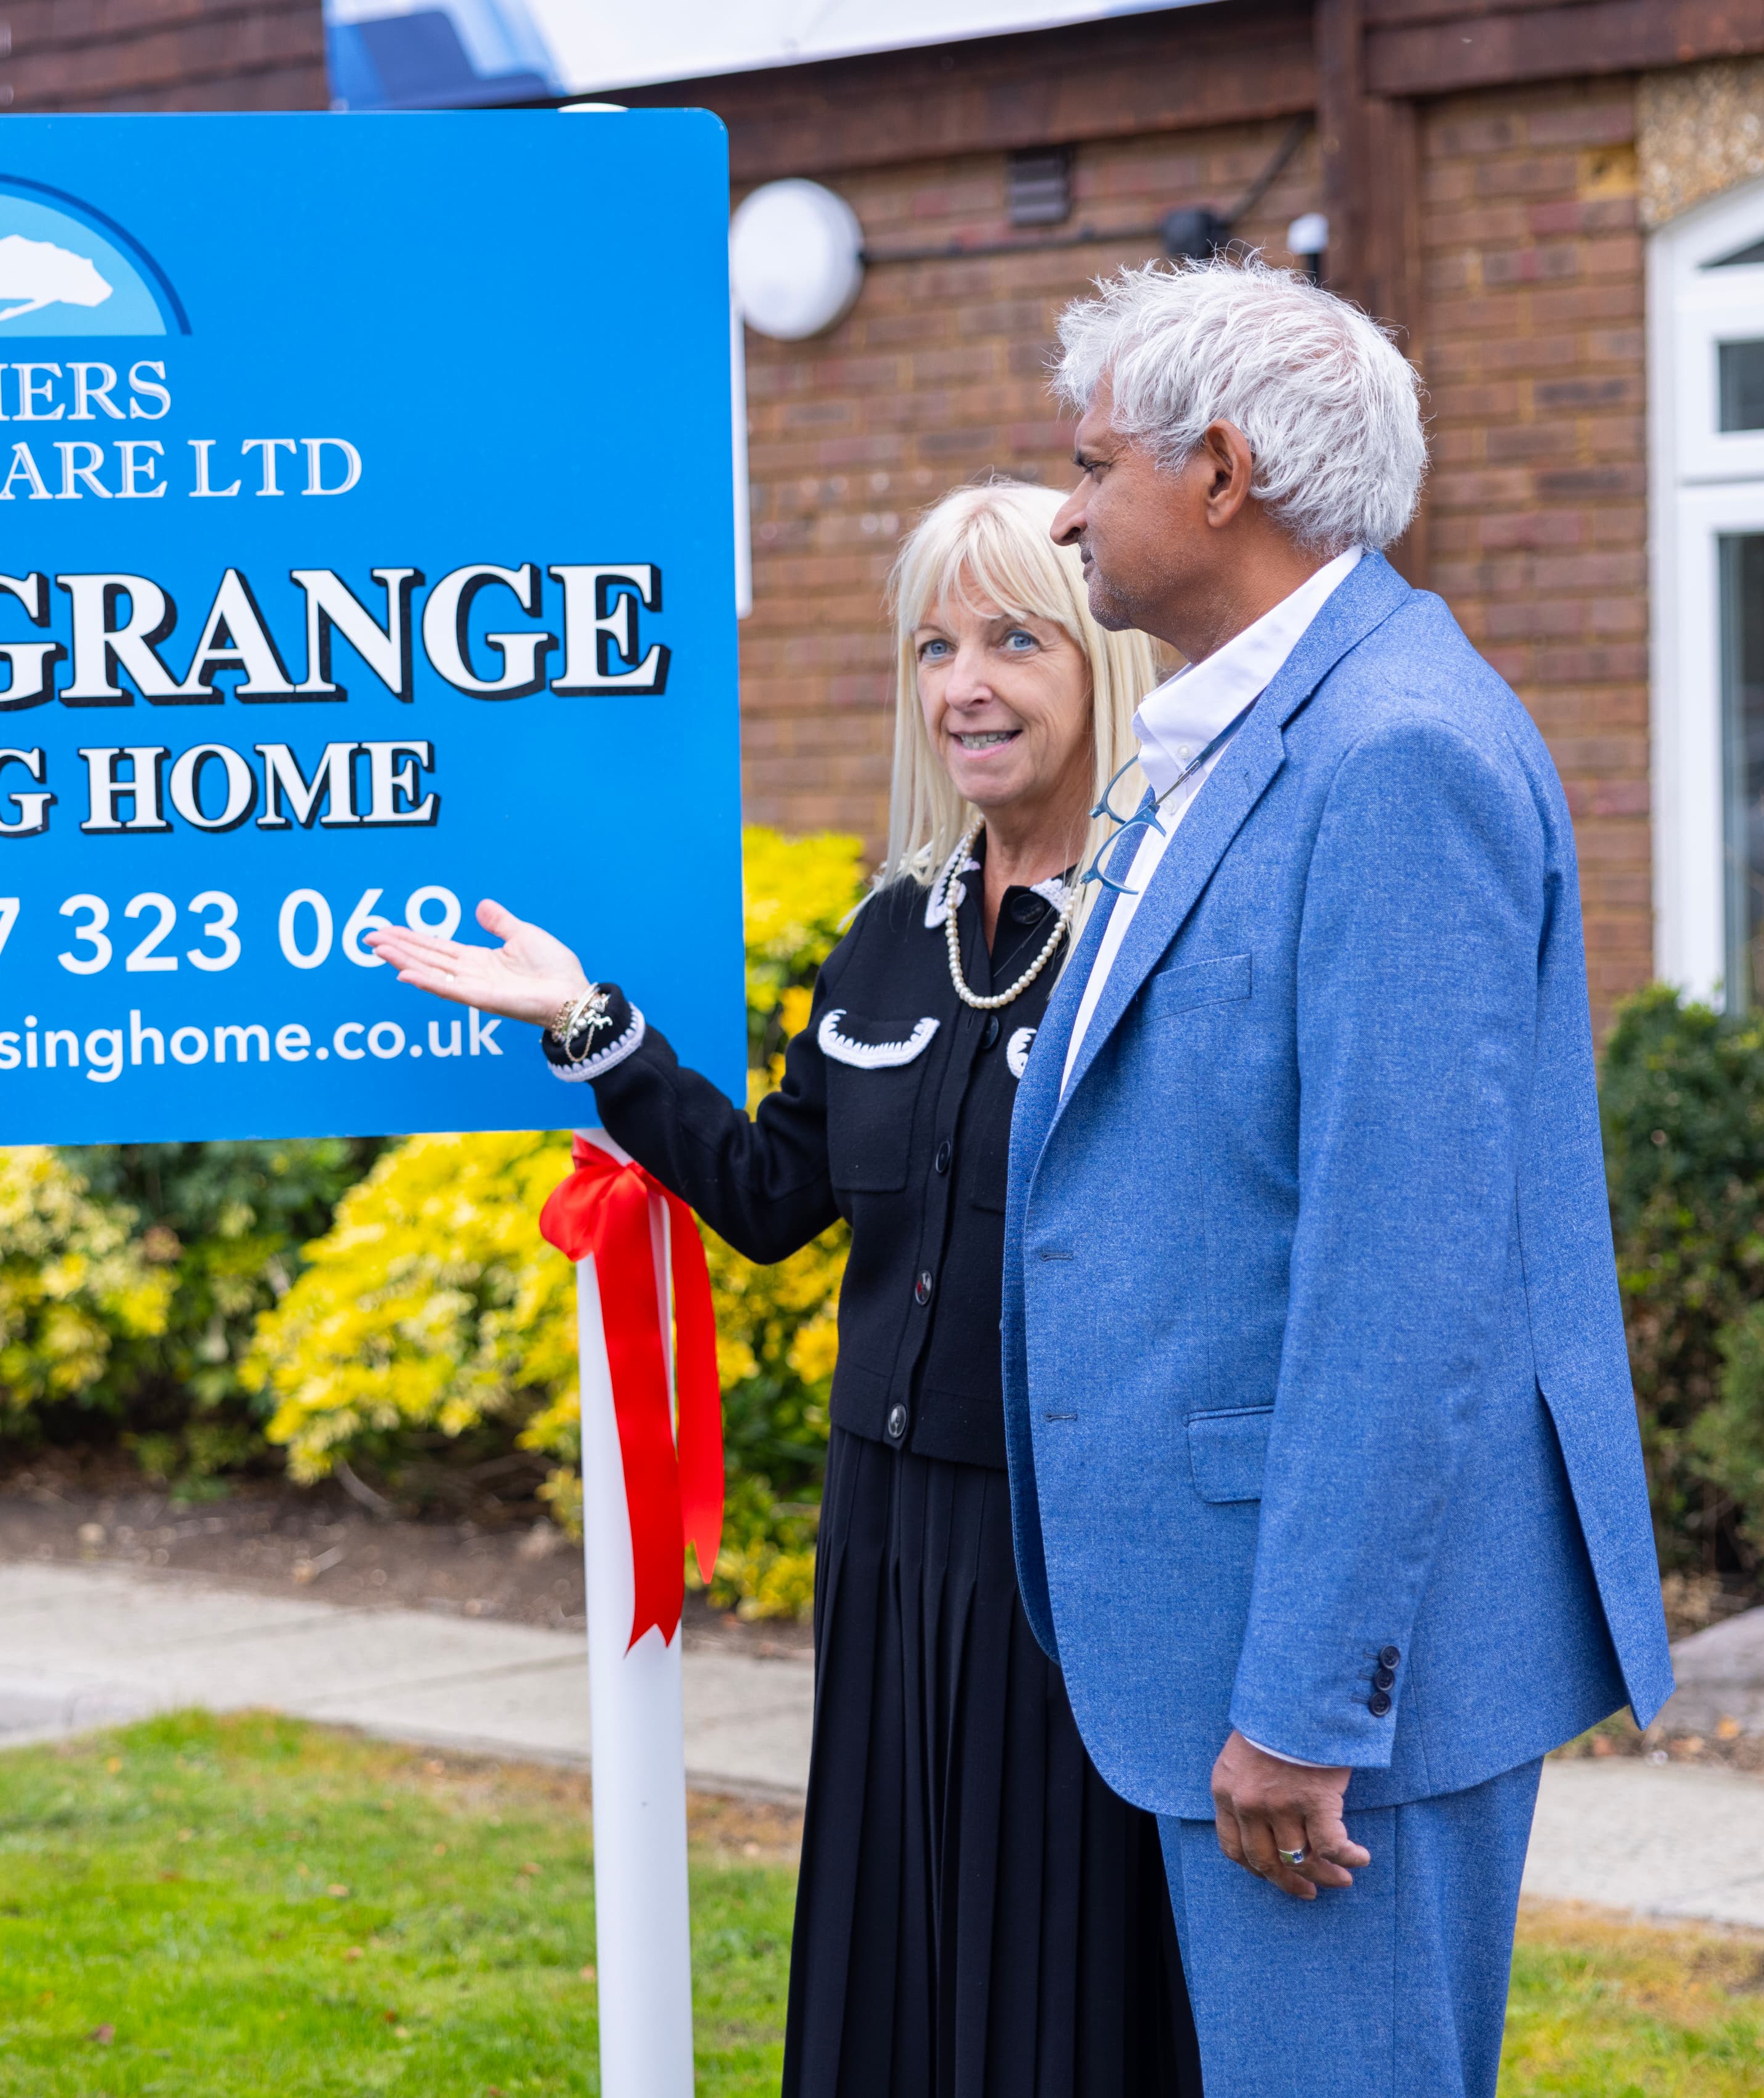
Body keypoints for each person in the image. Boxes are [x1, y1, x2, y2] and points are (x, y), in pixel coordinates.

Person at [372, 479, 1201, 2097]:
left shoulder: (1166, 927)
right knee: (900, 1923)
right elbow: (772, 1199)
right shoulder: (890, 931)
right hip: (884, 1532)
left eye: (1016, 638)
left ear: (1103, 655)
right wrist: (585, 1023)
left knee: (1056, 1946)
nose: (967, 681)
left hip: (1070, 1539)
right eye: (938, 644)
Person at [1000, 254, 1674, 2095]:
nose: (1060, 511)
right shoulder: (1251, 724)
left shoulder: (1391, 754)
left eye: (1089, 465)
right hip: (1213, 1619)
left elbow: (1405, 1272)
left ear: (1215, 473)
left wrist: (1303, 1703)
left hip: (1321, 1684)